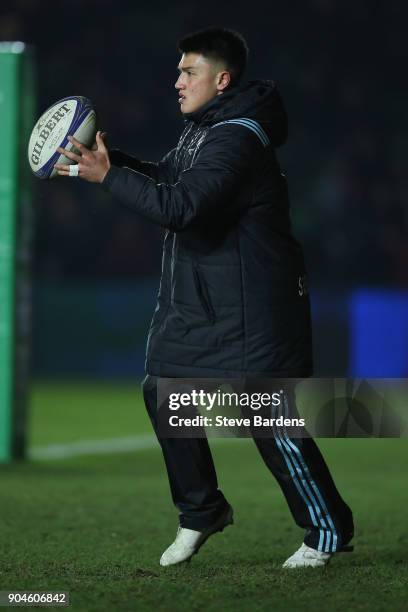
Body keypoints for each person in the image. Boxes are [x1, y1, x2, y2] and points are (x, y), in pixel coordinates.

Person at [55, 26, 354, 569]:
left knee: (268, 420)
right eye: (178, 71)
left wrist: (106, 178)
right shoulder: (203, 131)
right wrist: (107, 161)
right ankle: (201, 511)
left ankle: (326, 529)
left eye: (187, 72)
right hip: (202, 305)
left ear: (221, 79)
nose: (176, 82)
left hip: (257, 310)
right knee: (164, 391)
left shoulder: (239, 136)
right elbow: (170, 177)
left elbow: (182, 208)